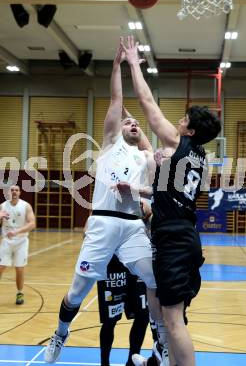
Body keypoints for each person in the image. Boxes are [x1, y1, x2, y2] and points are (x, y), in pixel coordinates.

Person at [44, 40, 168, 365]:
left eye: (135, 124)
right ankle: (60, 332)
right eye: (128, 121)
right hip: (101, 222)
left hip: (132, 227)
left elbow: (151, 165)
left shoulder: (146, 157)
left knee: (155, 280)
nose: (132, 124)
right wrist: (118, 66)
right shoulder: (111, 143)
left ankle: (161, 336)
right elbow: (116, 98)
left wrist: (139, 129)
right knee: (76, 292)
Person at [122, 35, 221, 366]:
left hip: (175, 240)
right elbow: (165, 191)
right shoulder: (198, 156)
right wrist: (137, 189)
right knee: (167, 313)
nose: (179, 120)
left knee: (173, 319)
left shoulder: (181, 145)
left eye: (184, 119)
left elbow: (148, 105)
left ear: (189, 132)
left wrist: (134, 63)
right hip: (183, 236)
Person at [97, 255, 149, 366]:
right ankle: (104, 363)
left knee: (143, 316)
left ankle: (132, 361)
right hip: (112, 263)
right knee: (110, 321)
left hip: (137, 261)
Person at [0, 185, 36, 305]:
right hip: (6, 241)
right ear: (8, 192)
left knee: (19, 269)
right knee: (1, 267)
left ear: (20, 192)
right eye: (12, 190)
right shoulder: (3, 206)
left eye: (16, 190)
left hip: (21, 241)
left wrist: (16, 231)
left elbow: (32, 224)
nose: (14, 192)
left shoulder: (25, 206)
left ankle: (19, 292)